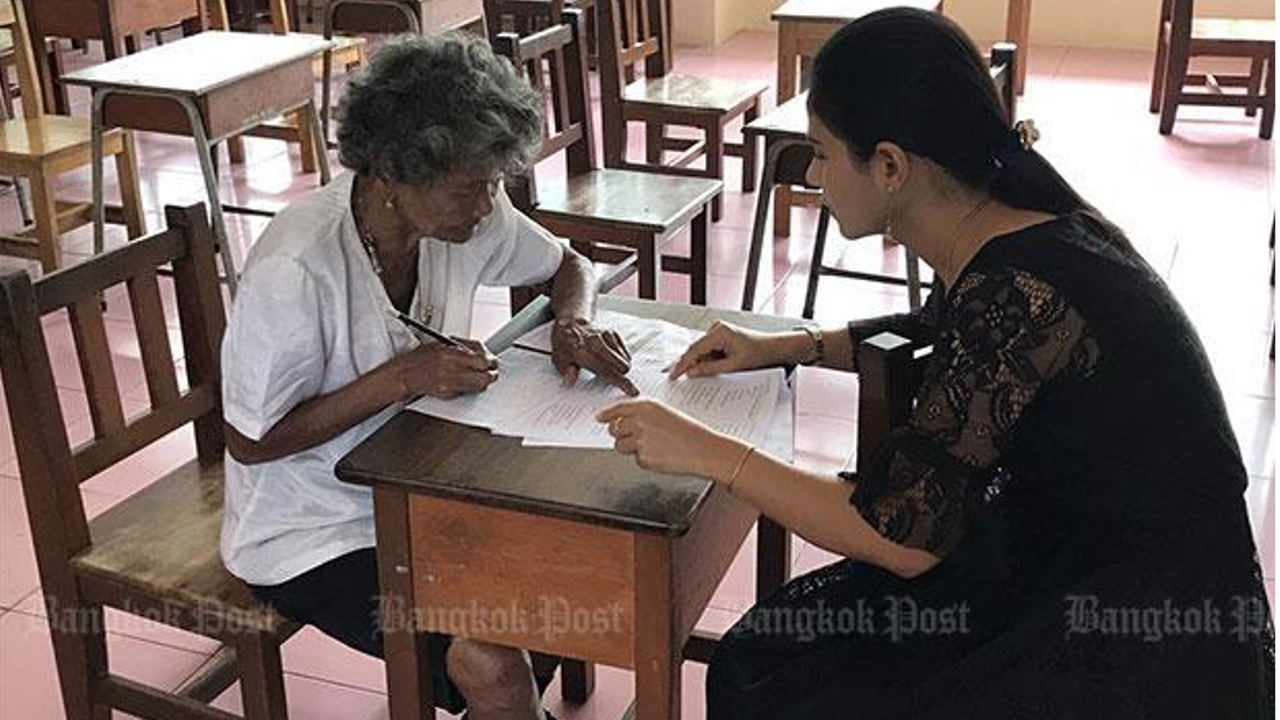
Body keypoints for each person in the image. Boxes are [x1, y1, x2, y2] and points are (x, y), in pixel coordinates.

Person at [597, 8, 1274, 719]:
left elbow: (902, 536)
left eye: (823, 153)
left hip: (1141, 634)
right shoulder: (1011, 225)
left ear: (890, 166)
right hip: (1087, 563)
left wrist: (711, 453)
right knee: (767, 656)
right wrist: (790, 346)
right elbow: (943, 332)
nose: (817, 174)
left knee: (779, 681)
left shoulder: (1016, 285)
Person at [219, 31, 636, 720]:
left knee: (582, 564)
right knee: (491, 661)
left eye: (493, 185)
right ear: (391, 175)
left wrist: (574, 321)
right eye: (468, 190)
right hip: (315, 528)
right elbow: (250, 442)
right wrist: (401, 378)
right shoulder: (297, 268)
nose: (484, 207)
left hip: (426, 483)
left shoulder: (465, 212)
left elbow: (570, 266)